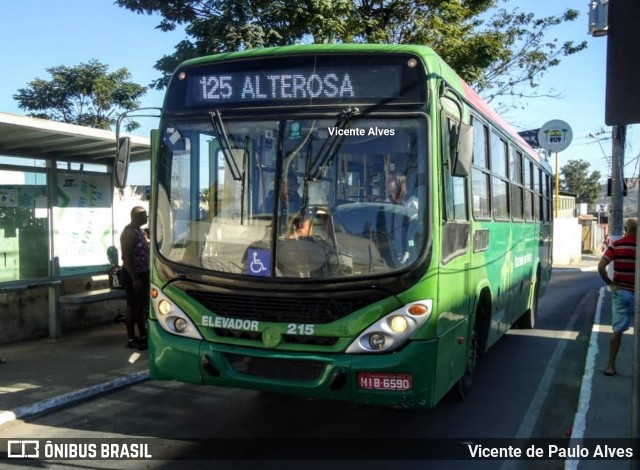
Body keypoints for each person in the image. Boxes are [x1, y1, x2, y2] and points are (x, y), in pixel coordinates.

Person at [597, 218, 637, 376]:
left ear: (626, 229)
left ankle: (610, 366)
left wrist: (609, 283)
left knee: (617, 331)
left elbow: (601, 266)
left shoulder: (617, 245)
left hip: (622, 292)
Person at [120, 206, 150, 350]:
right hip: (133, 275)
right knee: (132, 307)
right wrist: (134, 278)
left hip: (143, 273)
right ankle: (131, 338)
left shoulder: (140, 231)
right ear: (136, 216)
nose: (146, 218)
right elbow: (126, 257)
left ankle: (143, 335)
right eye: (144, 216)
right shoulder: (129, 233)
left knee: (141, 307)